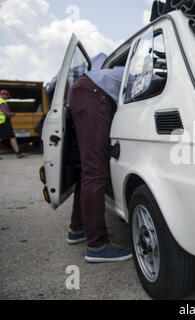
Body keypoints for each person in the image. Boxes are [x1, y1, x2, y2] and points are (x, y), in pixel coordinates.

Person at [66, 66, 133, 263]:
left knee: (88, 170)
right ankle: (97, 246)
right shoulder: (152, 74)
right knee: (95, 171)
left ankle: (77, 229)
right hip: (92, 94)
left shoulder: (132, 67)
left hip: (85, 91)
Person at [0, 90, 26, 158]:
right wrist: (13, 114)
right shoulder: (2, 102)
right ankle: (18, 153)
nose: (7, 98)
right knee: (12, 138)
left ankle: (18, 153)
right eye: (7, 96)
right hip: (4, 122)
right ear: (4, 95)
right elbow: (5, 113)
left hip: (1, 122)